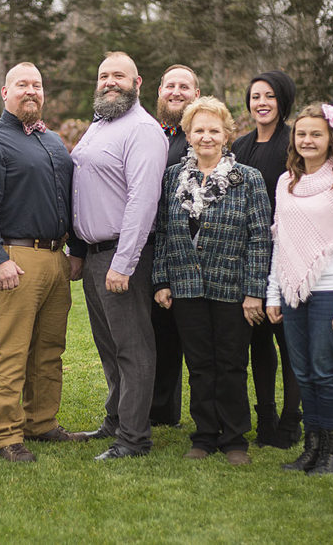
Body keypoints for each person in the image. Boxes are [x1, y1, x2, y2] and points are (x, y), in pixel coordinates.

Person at [0, 62, 87, 463]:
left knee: (50, 348)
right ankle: (5, 435)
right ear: (5, 92)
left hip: (55, 258)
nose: (30, 91)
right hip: (15, 257)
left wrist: (75, 251)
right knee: (11, 350)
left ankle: (42, 422)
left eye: (36, 85)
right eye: (22, 85)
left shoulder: (51, 143)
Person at [153, 96, 271, 465]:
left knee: (232, 365)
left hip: (232, 290)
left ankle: (234, 439)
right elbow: (163, 233)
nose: (206, 137)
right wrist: (161, 281)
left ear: (226, 135)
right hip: (186, 286)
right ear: (187, 135)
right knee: (200, 365)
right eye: (199, 130)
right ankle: (204, 436)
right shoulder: (173, 177)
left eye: (213, 130)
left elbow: (260, 239)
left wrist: (255, 292)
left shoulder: (247, 179)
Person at [72, 52, 168, 461]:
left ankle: (133, 438)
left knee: (132, 349)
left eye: (119, 76)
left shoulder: (143, 131)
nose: (110, 82)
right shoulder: (100, 125)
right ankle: (114, 419)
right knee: (108, 346)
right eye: (104, 75)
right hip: (95, 255)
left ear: (137, 82)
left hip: (122, 254)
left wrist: (123, 262)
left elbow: (142, 202)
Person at [266, 102, 333, 475]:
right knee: (302, 371)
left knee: (325, 370)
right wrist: (274, 294)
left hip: (330, 291)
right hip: (295, 290)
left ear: (330, 138)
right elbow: (282, 241)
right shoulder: (286, 182)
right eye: (302, 134)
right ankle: (310, 449)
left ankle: (332, 453)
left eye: (316, 134)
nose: (308, 140)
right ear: (294, 139)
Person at [231, 71, 302, 449]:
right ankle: (266, 418)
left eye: (269, 96)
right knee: (256, 341)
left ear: (282, 101)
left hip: (287, 254)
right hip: (251, 257)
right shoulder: (240, 147)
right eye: (255, 96)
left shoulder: (294, 143)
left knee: (287, 342)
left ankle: (292, 421)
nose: (261, 102)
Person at [149, 64, 201, 428]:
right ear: (159, 92)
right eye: (170, 85)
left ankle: (204, 416)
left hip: (190, 250)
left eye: (185, 86)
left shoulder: (202, 137)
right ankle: (158, 411)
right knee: (156, 332)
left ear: (196, 95)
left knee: (192, 335)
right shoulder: (148, 134)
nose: (177, 91)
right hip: (149, 245)